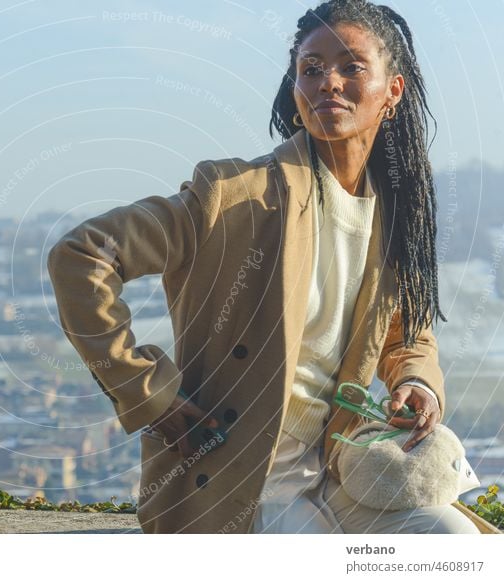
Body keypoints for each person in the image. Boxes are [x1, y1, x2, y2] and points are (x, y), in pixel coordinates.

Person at [47, 0, 495, 534]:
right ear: (296, 88)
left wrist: (417, 382)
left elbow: (404, 333)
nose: (329, 81)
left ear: (393, 92)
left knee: (456, 543)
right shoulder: (233, 198)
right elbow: (81, 255)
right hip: (239, 484)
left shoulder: (394, 214)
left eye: (352, 67)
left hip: (339, 471)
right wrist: (146, 392)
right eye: (312, 68)